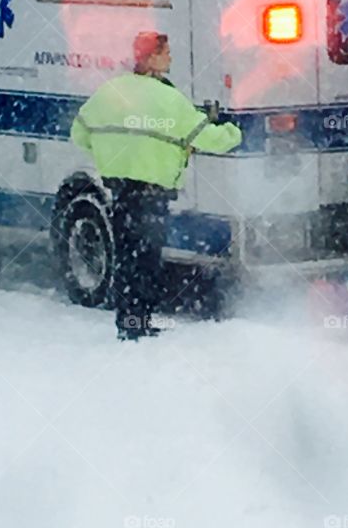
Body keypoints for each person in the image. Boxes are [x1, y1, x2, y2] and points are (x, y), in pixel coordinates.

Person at [71, 32, 242, 340]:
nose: (171, 58)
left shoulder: (111, 91)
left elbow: (79, 134)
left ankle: (129, 321)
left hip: (120, 190)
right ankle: (139, 324)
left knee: (126, 258)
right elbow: (206, 137)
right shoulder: (167, 98)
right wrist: (235, 132)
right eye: (166, 53)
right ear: (151, 59)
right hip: (152, 192)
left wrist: (113, 151)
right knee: (146, 260)